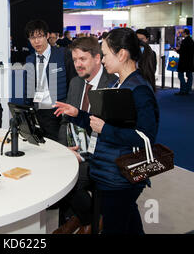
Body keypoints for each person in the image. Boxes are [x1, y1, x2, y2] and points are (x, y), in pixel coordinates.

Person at [53, 28, 159, 235]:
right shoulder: (119, 83)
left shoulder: (139, 89)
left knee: (116, 226)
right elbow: (101, 122)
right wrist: (78, 114)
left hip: (120, 176)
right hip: (109, 171)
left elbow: (146, 137)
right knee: (129, 224)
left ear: (122, 54)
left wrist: (106, 129)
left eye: (106, 54)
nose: (102, 60)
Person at [54, 37, 117, 234]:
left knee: (64, 180)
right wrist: (65, 148)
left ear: (97, 58)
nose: (78, 64)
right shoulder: (75, 83)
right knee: (51, 170)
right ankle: (86, 219)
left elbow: (111, 131)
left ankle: (85, 220)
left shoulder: (113, 85)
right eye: (75, 60)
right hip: (75, 149)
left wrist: (82, 155)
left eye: (83, 59)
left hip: (99, 155)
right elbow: (65, 121)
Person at [23, 20, 77, 142]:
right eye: (32, 38)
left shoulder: (63, 54)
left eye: (40, 36)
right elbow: (27, 89)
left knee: (60, 148)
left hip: (58, 113)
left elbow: (73, 82)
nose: (36, 41)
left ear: (47, 36)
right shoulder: (30, 59)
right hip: (38, 113)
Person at [175, 28, 194, 95]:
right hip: (190, 61)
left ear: (185, 33)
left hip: (183, 61)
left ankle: (183, 90)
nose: (181, 34)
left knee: (180, 75)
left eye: (182, 33)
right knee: (189, 76)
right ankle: (188, 90)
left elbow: (181, 51)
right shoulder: (192, 41)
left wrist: (176, 50)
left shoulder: (184, 41)